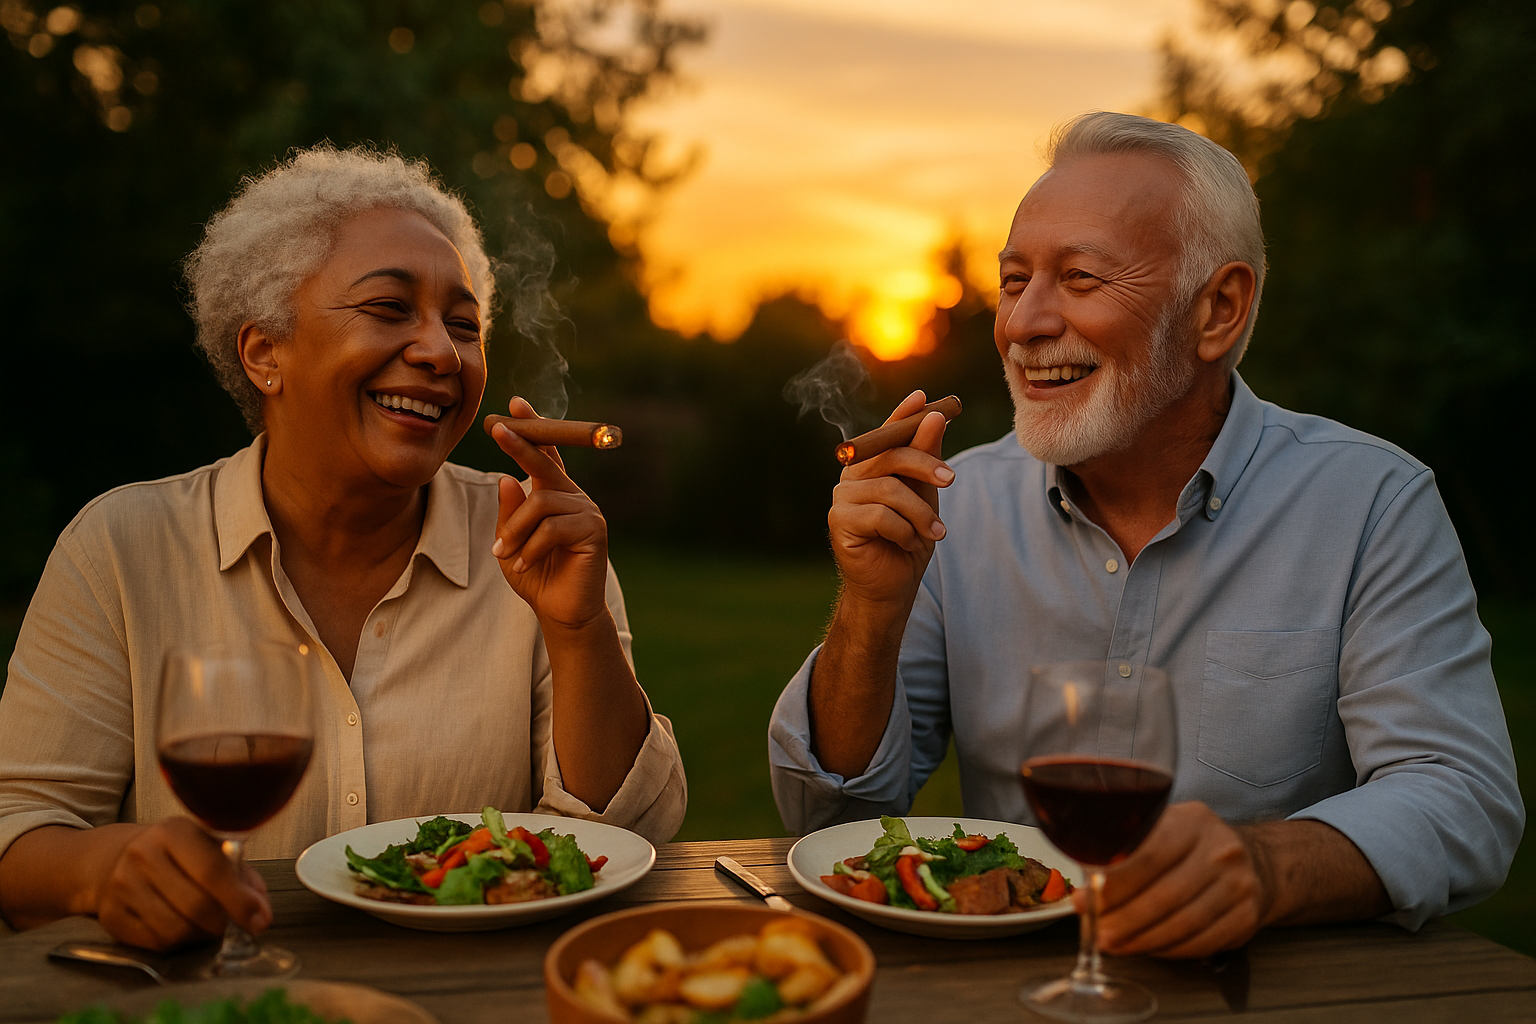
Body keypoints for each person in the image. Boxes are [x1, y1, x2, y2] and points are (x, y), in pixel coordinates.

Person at [768, 111, 1522, 957]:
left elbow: (1462, 797)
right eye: (1015, 281)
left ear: (1219, 310)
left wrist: (1267, 868)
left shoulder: (1370, 503)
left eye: (1082, 279)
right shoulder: (961, 501)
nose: (1024, 325)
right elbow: (831, 820)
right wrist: (869, 609)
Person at [0, 145, 686, 949]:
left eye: (463, 326)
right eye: (390, 309)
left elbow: (628, 836)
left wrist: (579, 632)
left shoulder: (538, 543)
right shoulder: (119, 550)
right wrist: (99, 869)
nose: (441, 352)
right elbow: (19, 830)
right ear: (265, 354)